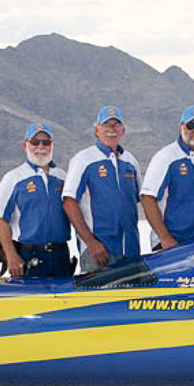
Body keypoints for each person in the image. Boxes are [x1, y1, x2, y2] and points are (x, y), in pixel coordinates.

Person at [0, 122, 73, 278]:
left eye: (46, 142)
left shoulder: (62, 177)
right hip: (28, 254)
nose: (41, 146)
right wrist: (11, 255)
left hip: (60, 254)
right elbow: (1, 220)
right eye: (35, 142)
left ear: (52, 145)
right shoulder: (14, 178)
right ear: (25, 144)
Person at [62, 106, 142, 271]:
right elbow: (69, 202)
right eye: (106, 125)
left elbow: (141, 200)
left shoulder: (131, 162)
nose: (112, 129)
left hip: (130, 252)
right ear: (96, 129)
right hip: (99, 253)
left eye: (116, 125)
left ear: (123, 130)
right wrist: (91, 243)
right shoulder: (84, 160)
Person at [141, 106, 194, 249]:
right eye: (191, 125)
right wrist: (165, 238)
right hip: (171, 244)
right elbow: (147, 198)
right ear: (181, 127)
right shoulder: (166, 157)